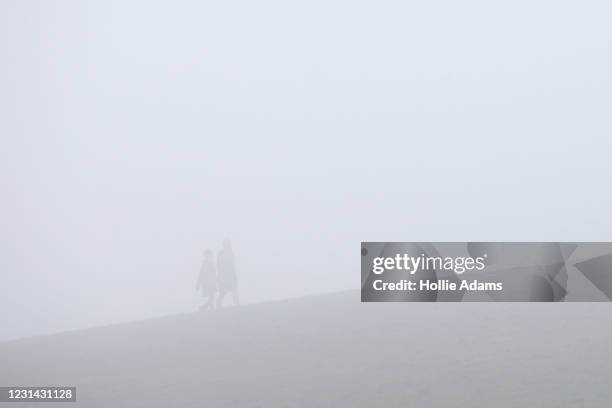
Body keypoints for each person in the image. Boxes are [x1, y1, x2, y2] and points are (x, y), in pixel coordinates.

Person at [216, 239, 239, 307]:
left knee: (234, 289)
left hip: (231, 274)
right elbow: (219, 265)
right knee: (223, 291)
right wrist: (220, 275)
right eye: (226, 244)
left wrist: (234, 274)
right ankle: (218, 303)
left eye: (228, 243)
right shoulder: (221, 253)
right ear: (224, 245)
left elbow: (232, 264)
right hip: (224, 275)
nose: (228, 245)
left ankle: (237, 304)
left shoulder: (231, 252)